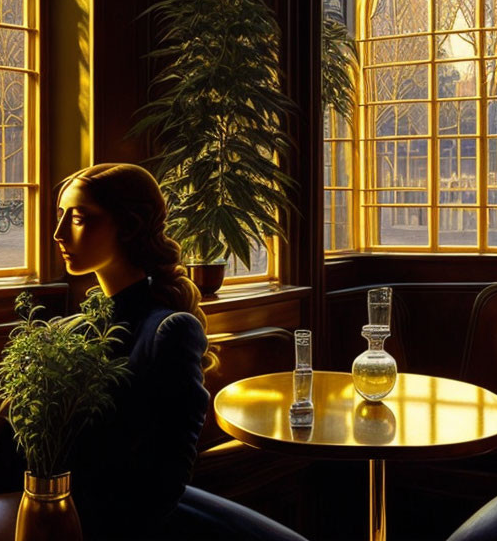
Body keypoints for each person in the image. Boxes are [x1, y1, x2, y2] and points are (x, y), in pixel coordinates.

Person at [53, 163, 308, 541]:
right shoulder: (75, 329)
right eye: (61, 217)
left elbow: (167, 476)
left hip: (137, 523)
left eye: (78, 218)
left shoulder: (168, 330)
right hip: (76, 513)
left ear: (129, 225)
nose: (59, 234)